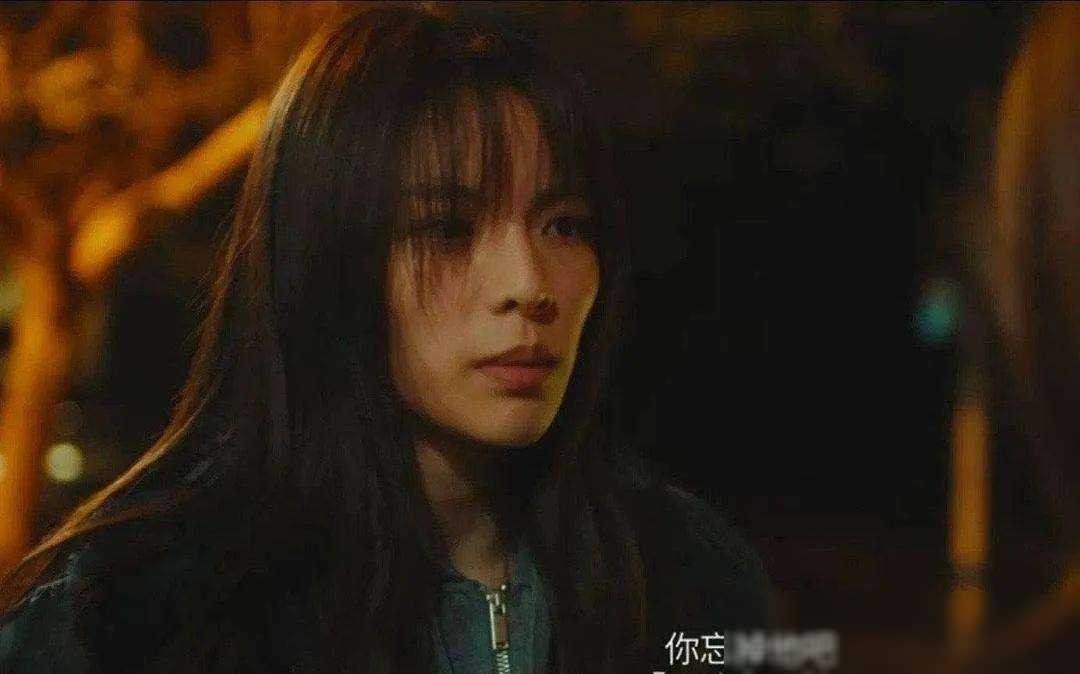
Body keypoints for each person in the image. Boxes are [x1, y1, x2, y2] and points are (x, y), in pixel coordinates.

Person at [0, 7, 774, 673]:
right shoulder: (138, 614)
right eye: (447, 227)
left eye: (565, 226)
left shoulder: (685, 578)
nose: (529, 285)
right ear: (325, 256)